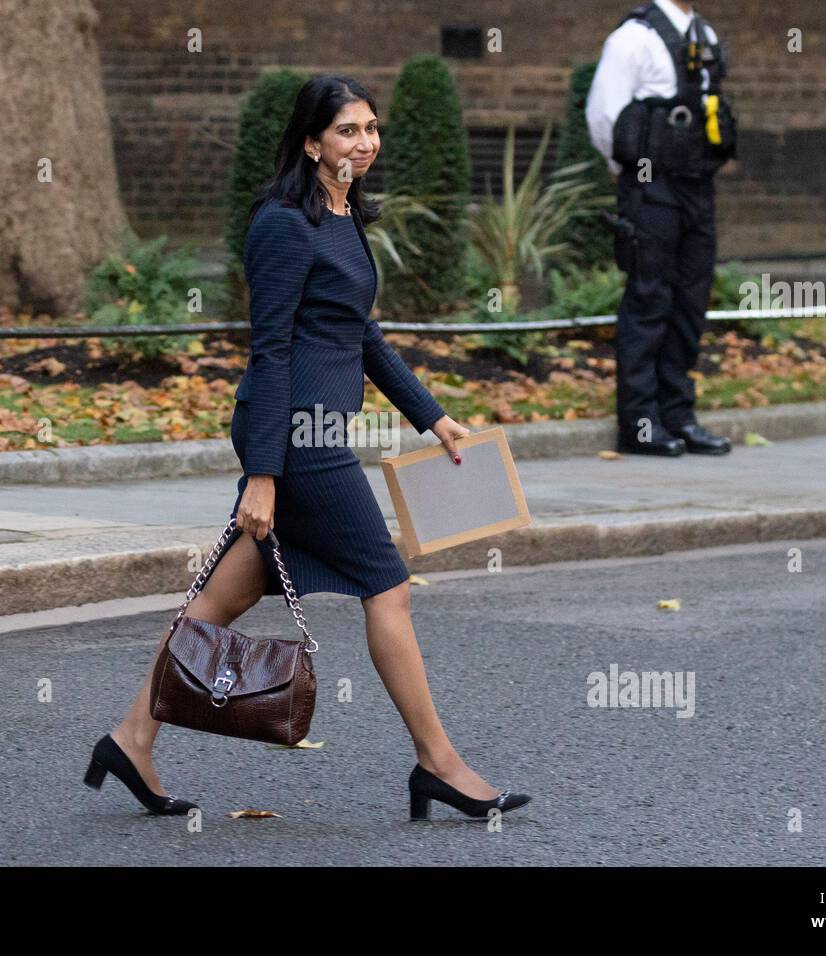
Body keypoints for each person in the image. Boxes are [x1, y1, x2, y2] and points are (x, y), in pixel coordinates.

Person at [86, 75, 531, 821]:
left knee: (220, 599)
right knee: (386, 586)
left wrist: (435, 418)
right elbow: (271, 352)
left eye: (371, 128)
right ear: (312, 142)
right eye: (348, 131)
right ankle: (438, 764)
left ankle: (131, 738)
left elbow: (360, 335)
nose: (365, 142)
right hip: (297, 439)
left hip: (315, 432)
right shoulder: (284, 225)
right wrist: (263, 475)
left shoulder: (344, 212)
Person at [586, 0, 736, 455]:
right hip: (651, 186)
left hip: (697, 186)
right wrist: (626, 171)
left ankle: (678, 416)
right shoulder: (634, 37)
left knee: (690, 302)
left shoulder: (703, 33)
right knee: (649, 299)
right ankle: (640, 425)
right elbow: (603, 113)